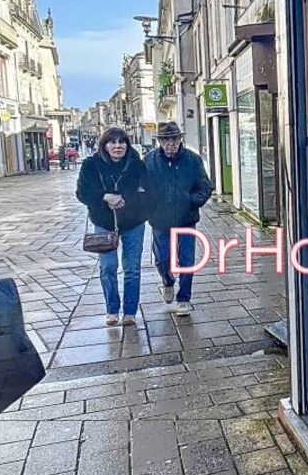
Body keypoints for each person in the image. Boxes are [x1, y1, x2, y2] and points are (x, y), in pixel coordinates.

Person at [75, 127, 150, 326]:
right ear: (105, 145)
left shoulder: (136, 164)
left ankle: (130, 312)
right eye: (113, 142)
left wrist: (130, 202)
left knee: (132, 268)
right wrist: (104, 196)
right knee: (108, 267)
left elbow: (149, 191)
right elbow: (82, 192)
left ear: (127, 144)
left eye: (122, 142)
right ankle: (112, 309)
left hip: (134, 222)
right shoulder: (91, 165)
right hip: (105, 222)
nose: (118, 146)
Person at [143, 121, 213, 315]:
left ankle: (184, 298)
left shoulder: (192, 160)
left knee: (187, 260)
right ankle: (167, 281)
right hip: (160, 220)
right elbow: (141, 187)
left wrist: (192, 201)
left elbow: (206, 186)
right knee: (162, 259)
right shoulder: (149, 161)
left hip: (186, 220)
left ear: (180, 139)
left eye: (174, 139)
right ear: (160, 141)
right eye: (166, 139)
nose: (170, 143)